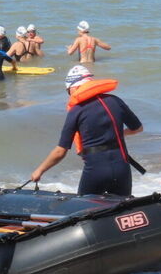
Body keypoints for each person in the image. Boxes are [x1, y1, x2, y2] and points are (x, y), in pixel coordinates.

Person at [31, 65, 144, 196]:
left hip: (96, 171)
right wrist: (118, 134)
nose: (69, 94)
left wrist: (39, 171)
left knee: (85, 209)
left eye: (68, 91)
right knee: (121, 211)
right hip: (122, 168)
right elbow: (137, 128)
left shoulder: (77, 111)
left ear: (74, 87)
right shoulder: (115, 101)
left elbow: (60, 151)